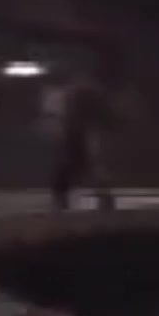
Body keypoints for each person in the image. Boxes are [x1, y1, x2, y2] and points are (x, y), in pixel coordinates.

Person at [45, 63, 120, 211]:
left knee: (79, 165)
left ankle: (101, 196)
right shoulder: (83, 91)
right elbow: (103, 114)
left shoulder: (77, 92)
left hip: (79, 132)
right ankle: (102, 196)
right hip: (80, 132)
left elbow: (99, 113)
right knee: (86, 165)